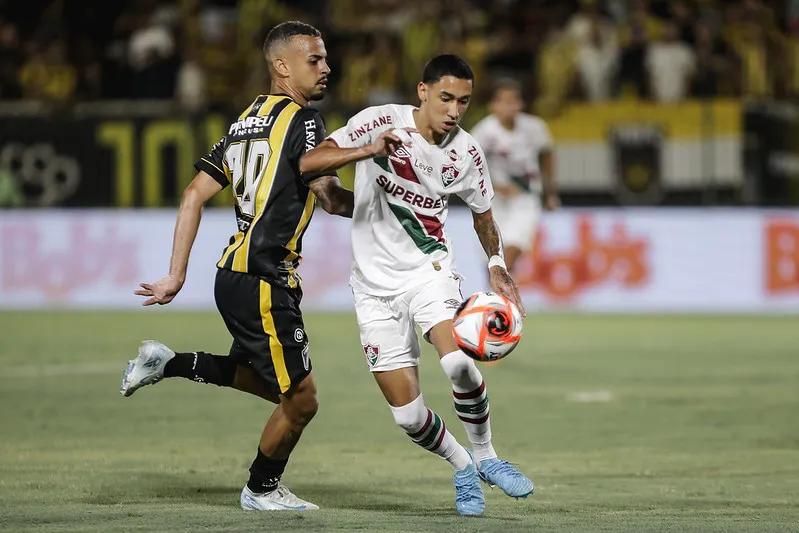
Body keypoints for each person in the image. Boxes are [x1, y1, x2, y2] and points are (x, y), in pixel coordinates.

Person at [120, 21, 353, 512]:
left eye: (326, 58)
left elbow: (192, 195)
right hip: (264, 275)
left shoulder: (246, 120)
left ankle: (169, 362)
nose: (326, 67)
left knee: (272, 385)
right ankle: (261, 489)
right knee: (302, 399)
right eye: (315, 59)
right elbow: (319, 179)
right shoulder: (304, 119)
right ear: (281, 66)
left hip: (236, 275)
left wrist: (177, 274)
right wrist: (372, 151)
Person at [300, 54, 534, 516]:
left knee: (459, 366)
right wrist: (364, 156)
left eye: (463, 102)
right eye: (446, 97)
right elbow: (312, 160)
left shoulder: (466, 152)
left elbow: (484, 217)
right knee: (408, 417)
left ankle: (487, 455)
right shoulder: (378, 122)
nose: (453, 110)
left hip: (430, 273)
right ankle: (463, 465)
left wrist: (496, 264)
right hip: (371, 288)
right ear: (422, 91)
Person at [470, 79, 559, 276]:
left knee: (511, 254)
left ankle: (501, 302)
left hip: (525, 197)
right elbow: (469, 163)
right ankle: (501, 303)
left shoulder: (535, 127)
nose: (511, 106)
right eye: (505, 101)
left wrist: (550, 191)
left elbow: (546, 155)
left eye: (514, 101)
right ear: (493, 105)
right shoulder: (483, 132)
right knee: (493, 260)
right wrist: (490, 186)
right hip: (495, 202)